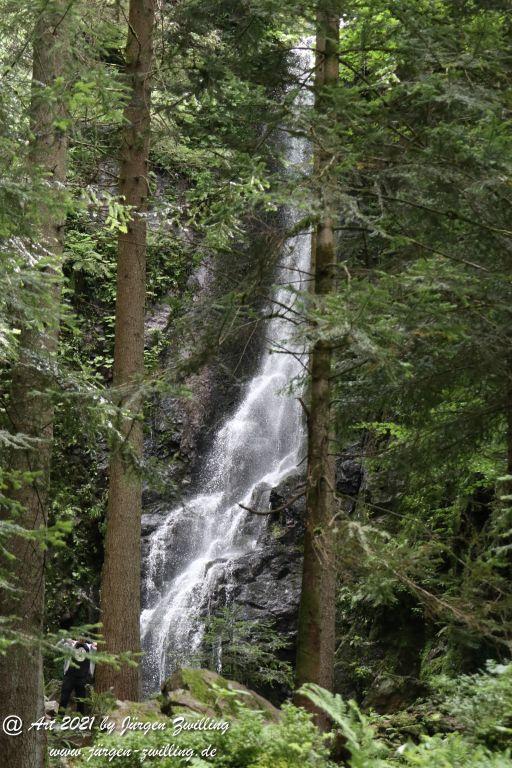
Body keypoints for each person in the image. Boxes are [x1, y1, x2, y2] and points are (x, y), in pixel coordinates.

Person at [59, 637, 95, 714]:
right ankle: (59, 719)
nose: (81, 639)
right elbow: (58, 645)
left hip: (82, 678)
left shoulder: (90, 647)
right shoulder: (71, 645)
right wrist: (65, 639)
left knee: (81, 701)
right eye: (80, 636)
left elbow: (100, 647)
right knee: (64, 698)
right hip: (69, 676)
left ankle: (80, 721)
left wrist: (95, 644)